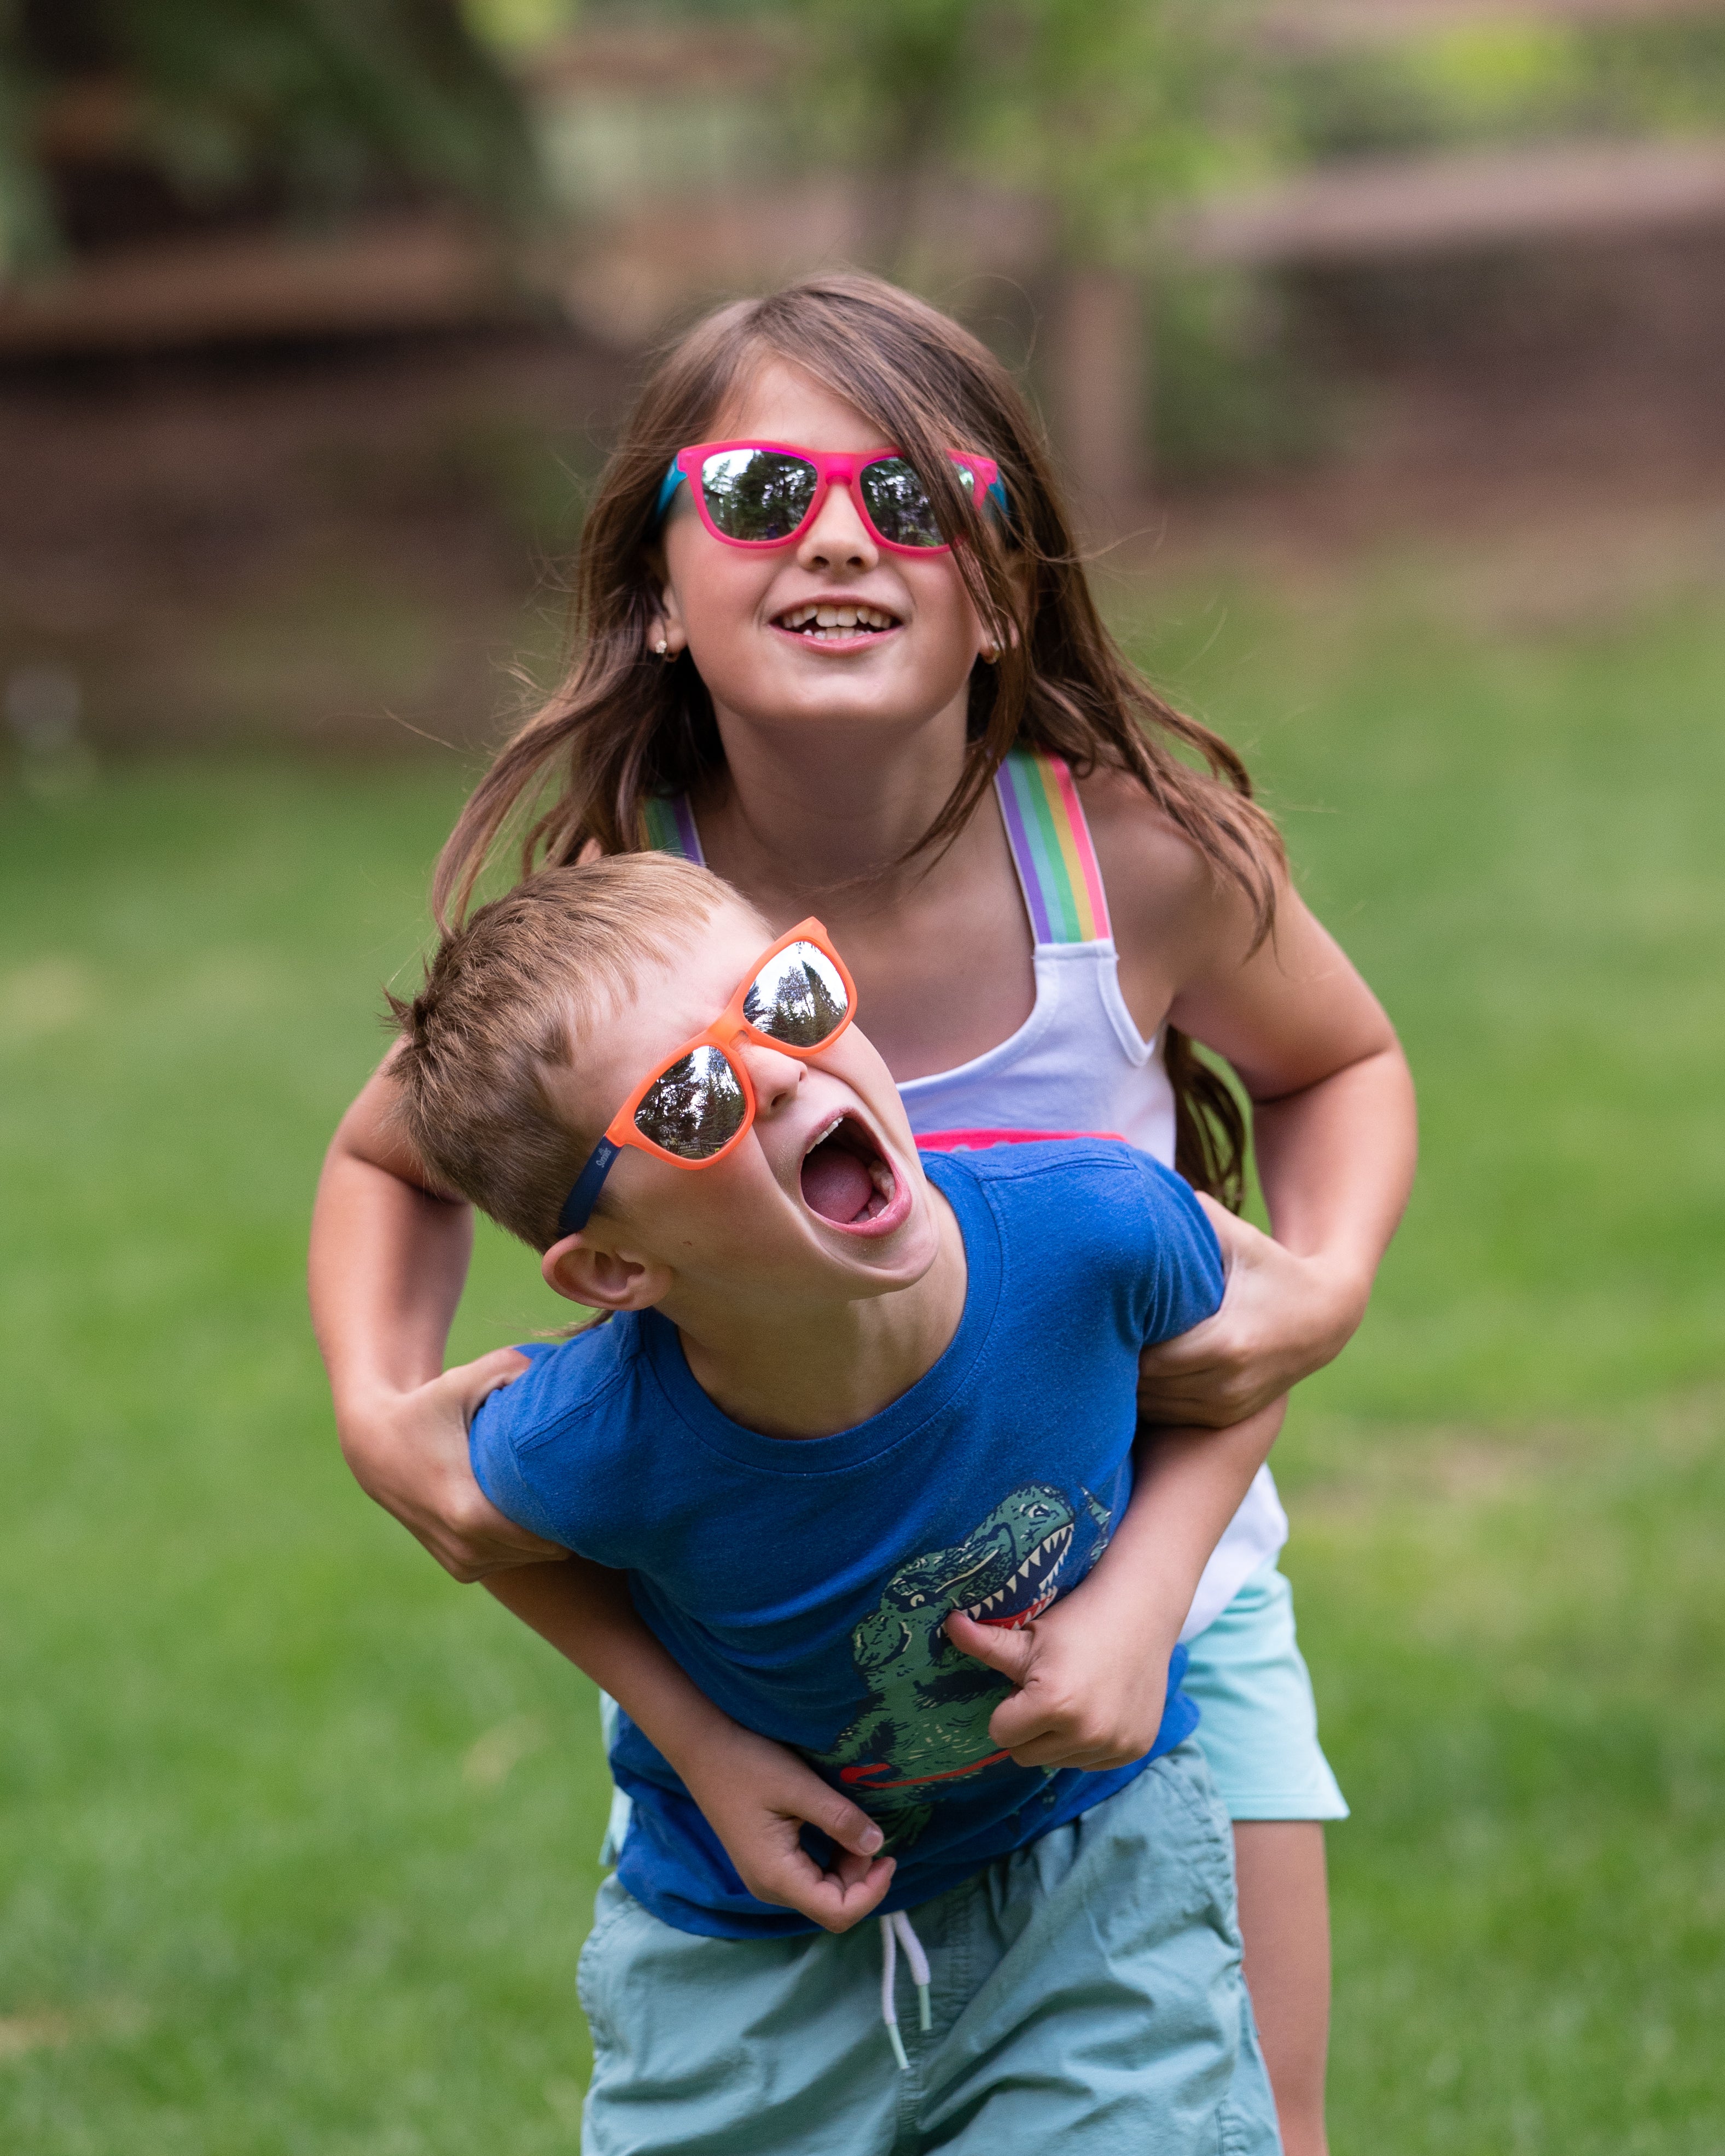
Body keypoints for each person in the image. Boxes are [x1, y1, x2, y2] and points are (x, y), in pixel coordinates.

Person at [308, 272, 1416, 2156]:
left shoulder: (1129, 863)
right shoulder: (618, 952)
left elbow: (1341, 1066)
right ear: (661, 585)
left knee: (1246, 2120)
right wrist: (375, 1404)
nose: (837, 533)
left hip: (1170, 1586)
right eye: (759, 492)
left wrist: (1316, 1293)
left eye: (916, 500)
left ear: (996, 588)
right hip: (779, 1652)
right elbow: (385, 1160)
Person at [385, 852, 1288, 2153]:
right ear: (615, 1267)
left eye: (785, 999)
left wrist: (1145, 1606)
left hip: (1094, 1874)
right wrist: (696, 1739)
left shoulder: (1089, 1225)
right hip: (747, 1952)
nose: (776, 1072)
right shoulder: (601, 1433)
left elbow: (1247, 1365)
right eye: (688, 1100)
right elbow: (488, 1532)